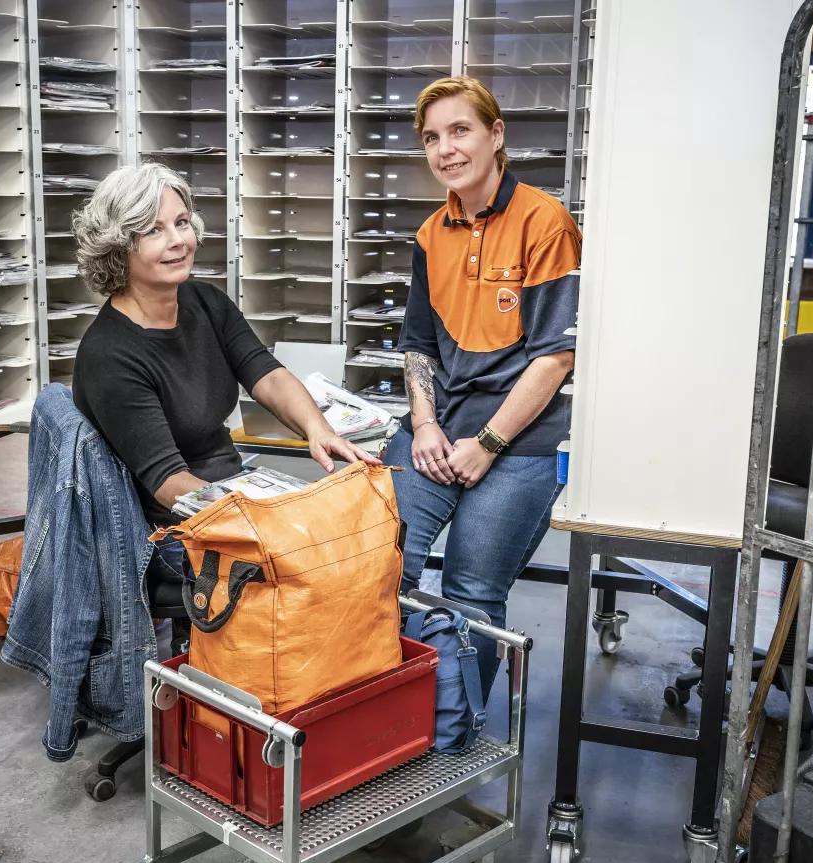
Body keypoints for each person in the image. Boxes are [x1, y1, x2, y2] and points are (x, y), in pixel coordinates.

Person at [71, 162, 378, 581]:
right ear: (119, 247)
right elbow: (167, 480)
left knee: (353, 539)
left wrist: (317, 429)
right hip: (170, 529)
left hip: (231, 493)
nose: (179, 240)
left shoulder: (203, 302)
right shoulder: (111, 354)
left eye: (182, 222)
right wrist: (261, 517)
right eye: (154, 230)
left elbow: (265, 373)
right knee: (317, 564)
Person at [387, 77, 581, 699]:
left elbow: (557, 358)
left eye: (460, 130)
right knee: (377, 566)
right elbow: (418, 343)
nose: (446, 149)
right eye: (432, 138)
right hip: (439, 426)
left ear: (496, 135)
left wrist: (489, 442)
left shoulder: (545, 222)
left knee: (471, 590)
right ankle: (387, 719)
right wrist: (423, 425)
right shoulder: (430, 235)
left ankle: (456, 731)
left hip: (520, 440)